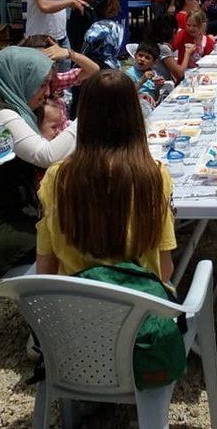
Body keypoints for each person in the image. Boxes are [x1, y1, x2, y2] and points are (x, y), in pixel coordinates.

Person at [36, 70, 176, 282]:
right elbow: (165, 271)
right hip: (141, 308)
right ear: (135, 116)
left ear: (83, 117)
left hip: (76, 306)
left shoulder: (56, 177)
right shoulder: (154, 175)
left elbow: (45, 268)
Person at [0, 47, 78, 279]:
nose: (48, 92)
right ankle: (58, 305)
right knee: (78, 234)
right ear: (21, 79)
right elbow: (46, 156)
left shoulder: (11, 106)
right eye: (41, 84)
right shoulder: (1, 116)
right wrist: (88, 117)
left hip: (15, 214)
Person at [146, 14, 194, 83]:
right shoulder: (163, 48)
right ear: (173, 31)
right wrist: (187, 53)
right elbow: (180, 74)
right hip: (162, 86)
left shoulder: (149, 43)